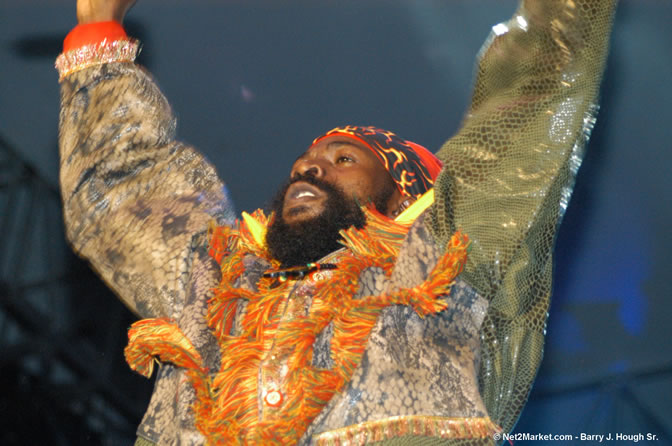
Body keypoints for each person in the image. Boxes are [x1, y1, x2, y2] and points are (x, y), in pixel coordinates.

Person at [56, 0, 616, 444]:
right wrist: (98, 26)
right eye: (305, 162)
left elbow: (532, 104)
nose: (308, 166)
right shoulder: (218, 288)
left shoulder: (446, 268)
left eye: (344, 159)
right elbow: (125, 192)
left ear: (405, 197)